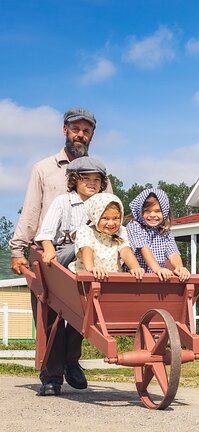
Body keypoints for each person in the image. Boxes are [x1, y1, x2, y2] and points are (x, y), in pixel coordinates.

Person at [8, 107, 109, 396]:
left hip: (88, 251)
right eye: (75, 128)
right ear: (64, 130)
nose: (81, 134)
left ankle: (71, 362)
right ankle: (51, 375)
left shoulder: (99, 173)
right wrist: (17, 250)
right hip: (48, 251)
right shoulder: (44, 168)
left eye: (86, 130)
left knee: (83, 308)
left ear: (92, 134)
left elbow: (109, 211)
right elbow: (31, 212)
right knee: (49, 314)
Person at [34, 157, 108, 267]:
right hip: (69, 253)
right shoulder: (63, 201)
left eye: (97, 180)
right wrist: (49, 249)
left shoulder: (105, 203)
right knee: (82, 244)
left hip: (98, 254)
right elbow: (46, 233)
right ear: (75, 180)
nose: (92, 183)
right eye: (86, 179)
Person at [69, 193, 144, 280]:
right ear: (95, 217)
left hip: (112, 277)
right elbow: (86, 249)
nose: (111, 223)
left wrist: (135, 267)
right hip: (85, 277)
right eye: (105, 218)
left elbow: (125, 251)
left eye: (116, 218)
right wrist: (92, 268)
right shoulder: (86, 230)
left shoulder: (121, 231)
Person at [125, 188, 190, 281]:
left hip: (158, 277)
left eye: (157, 211)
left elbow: (173, 252)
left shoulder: (165, 231)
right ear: (140, 212)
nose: (152, 215)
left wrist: (179, 267)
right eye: (147, 211)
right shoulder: (134, 225)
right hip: (137, 277)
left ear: (164, 212)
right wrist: (158, 269)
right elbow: (144, 249)